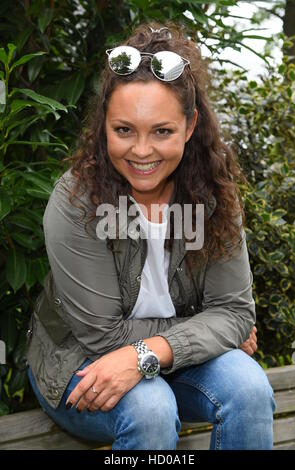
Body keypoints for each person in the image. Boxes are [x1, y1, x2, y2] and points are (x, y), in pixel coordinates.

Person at [26, 21, 276, 450]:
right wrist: (211, 329)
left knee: (249, 389)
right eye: (124, 130)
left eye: (162, 131)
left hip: (173, 361)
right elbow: (104, 336)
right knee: (151, 408)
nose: (142, 152)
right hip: (81, 364)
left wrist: (152, 351)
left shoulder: (213, 196)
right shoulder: (76, 202)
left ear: (190, 124)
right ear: (104, 125)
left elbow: (233, 313)